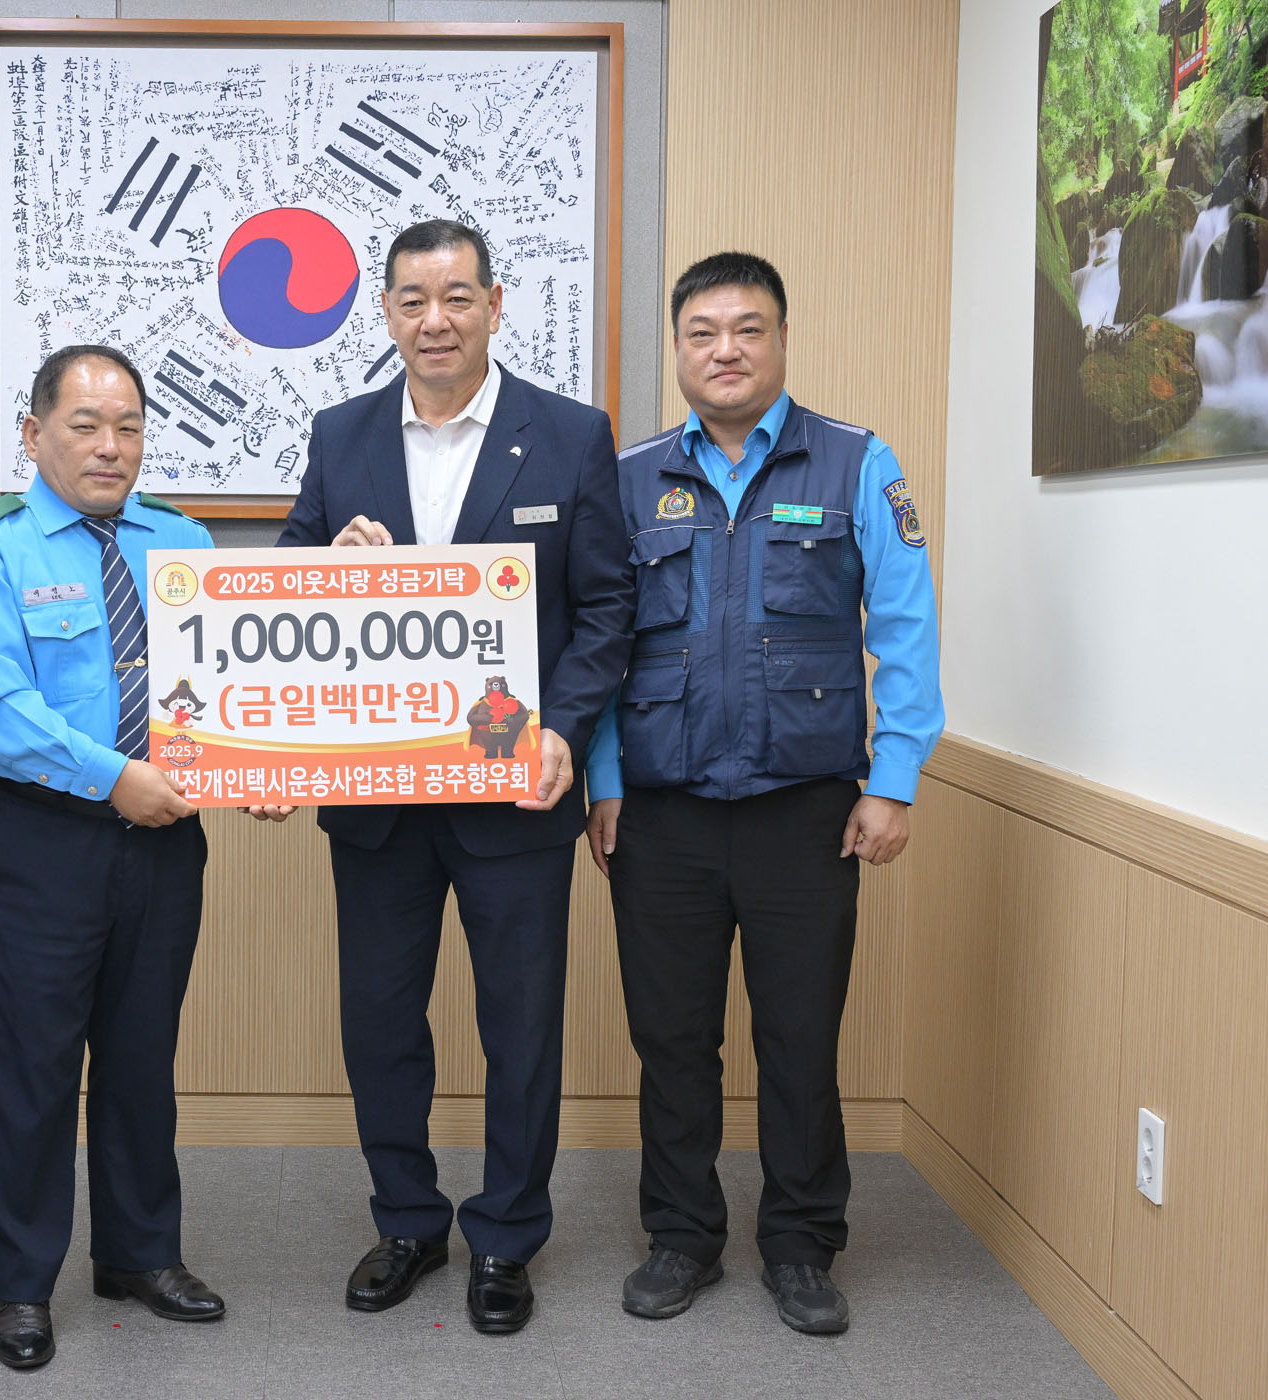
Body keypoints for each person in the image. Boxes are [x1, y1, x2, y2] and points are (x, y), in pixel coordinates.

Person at [279, 219, 633, 1333]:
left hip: (513, 795)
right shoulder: (340, 434)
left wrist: (566, 728)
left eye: (458, 298)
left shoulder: (569, 435)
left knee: (520, 1025)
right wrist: (324, 569)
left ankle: (507, 1236)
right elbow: (284, 582)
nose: (436, 321)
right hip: (378, 800)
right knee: (380, 1020)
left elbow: (607, 606)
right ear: (386, 312)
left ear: (494, 304)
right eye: (413, 301)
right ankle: (407, 1220)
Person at [584, 251, 943, 1336]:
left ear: (782, 339)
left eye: (747, 329)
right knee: (671, 1038)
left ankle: (801, 1242)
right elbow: (599, 643)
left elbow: (906, 627)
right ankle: (682, 1235)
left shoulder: (856, 462)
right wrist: (603, 779)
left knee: (800, 1035)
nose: (725, 350)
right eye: (702, 332)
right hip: (662, 811)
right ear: (678, 349)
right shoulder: (629, 478)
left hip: (806, 809)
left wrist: (894, 778)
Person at [0, 345, 263, 1370]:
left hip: (165, 841)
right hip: (45, 840)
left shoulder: (181, 541)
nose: (110, 446)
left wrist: (265, 762)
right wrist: (114, 776)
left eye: (128, 426)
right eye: (85, 425)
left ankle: (140, 1254)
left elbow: (236, 681)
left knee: (141, 1057)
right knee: (32, 1068)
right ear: (34, 435)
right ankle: (23, 1283)